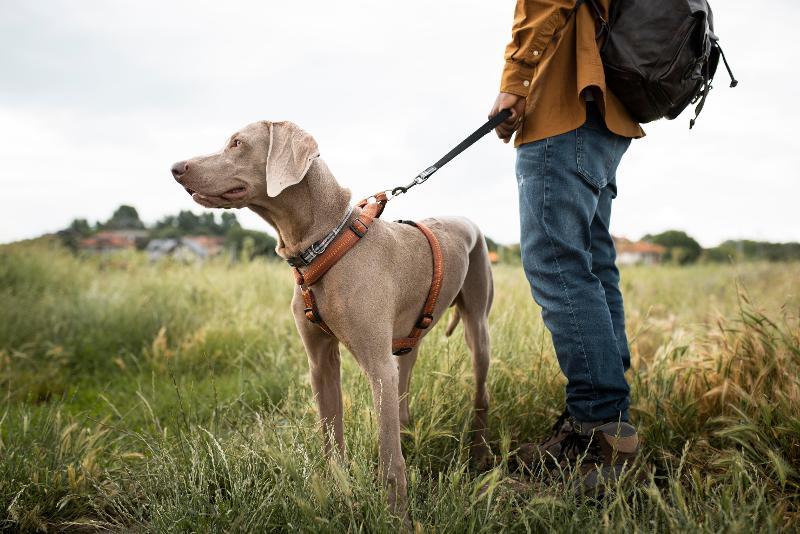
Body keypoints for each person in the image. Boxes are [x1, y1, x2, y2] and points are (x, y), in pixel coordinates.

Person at [488, 0, 643, 491]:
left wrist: (514, 81)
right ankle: (610, 418)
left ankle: (597, 430)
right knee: (592, 265)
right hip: (607, 113)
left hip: (565, 109)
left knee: (558, 266)